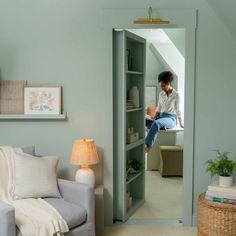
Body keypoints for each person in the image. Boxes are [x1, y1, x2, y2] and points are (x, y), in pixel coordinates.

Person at [145, 71, 184, 153]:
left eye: (163, 85)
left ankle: (147, 145)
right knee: (145, 121)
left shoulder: (176, 95)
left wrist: (181, 124)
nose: (162, 87)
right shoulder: (161, 94)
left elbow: (178, 110)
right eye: (161, 85)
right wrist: (154, 117)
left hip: (170, 119)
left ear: (168, 83)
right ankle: (161, 126)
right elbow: (159, 107)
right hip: (161, 117)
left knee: (156, 124)